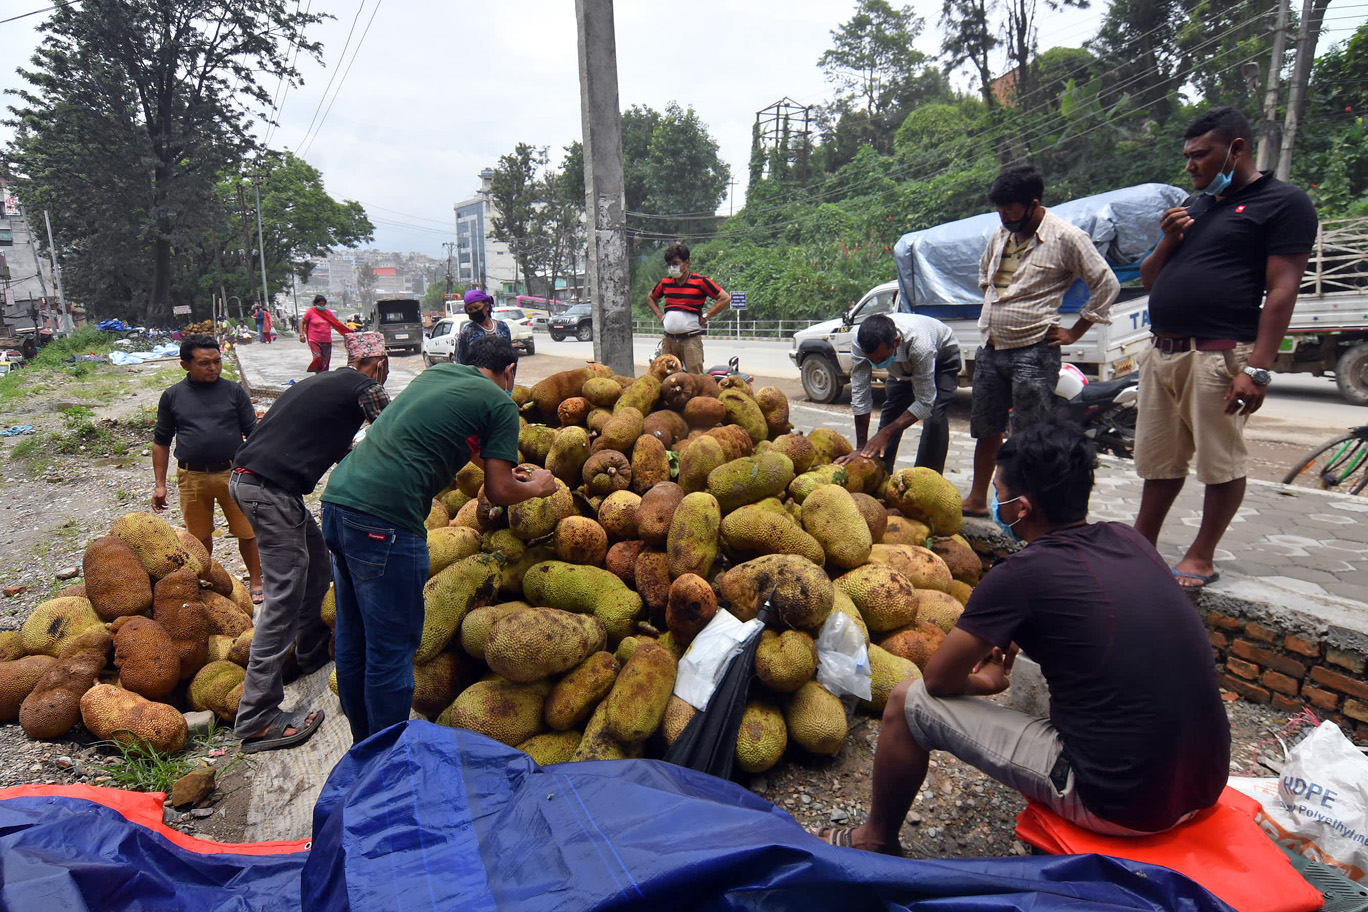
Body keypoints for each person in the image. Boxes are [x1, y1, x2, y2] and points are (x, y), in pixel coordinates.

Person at [812, 421, 1230, 855]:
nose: (996, 501)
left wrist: (986, 683)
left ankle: (875, 838)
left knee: (906, 702)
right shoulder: (1129, 539)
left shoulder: (1019, 575)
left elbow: (937, 682)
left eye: (999, 492)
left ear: (1022, 508)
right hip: (1204, 781)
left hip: (1121, 803)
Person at [320, 334, 557, 744]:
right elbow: (499, 491)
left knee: (355, 639)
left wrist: (501, 465)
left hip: (338, 504)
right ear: (510, 373)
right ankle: (388, 760)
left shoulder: (437, 375)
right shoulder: (500, 402)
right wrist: (539, 486)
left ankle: (364, 751)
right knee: (392, 653)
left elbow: (459, 444)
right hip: (385, 522)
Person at [1133, 107, 1316, 588]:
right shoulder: (1194, 209)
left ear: (1236, 149)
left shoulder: (1283, 203)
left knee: (1220, 461)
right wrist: (1168, 240)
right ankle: (1140, 545)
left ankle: (1201, 554)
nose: (1190, 166)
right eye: (1187, 157)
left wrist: (1257, 369)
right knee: (1159, 461)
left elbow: (1282, 290)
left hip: (1219, 353)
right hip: (1163, 353)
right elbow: (1150, 280)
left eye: (1200, 155)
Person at [226, 331, 390, 753]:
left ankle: (312, 653)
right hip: (269, 490)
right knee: (282, 597)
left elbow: (331, 447)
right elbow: (392, 435)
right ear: (379, 363)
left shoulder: (326, 384)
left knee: (317, 566)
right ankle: (257, 716)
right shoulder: (365, 387)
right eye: (383, 365)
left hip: (259, 484)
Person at [960, 165, 1120, 517]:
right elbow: (984, 276)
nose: (1004, 217)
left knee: (1029, 436)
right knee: (985, 429)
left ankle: (1024, 508)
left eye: (1011, 210)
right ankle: (977, 499)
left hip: (1033, 352)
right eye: (999, 210)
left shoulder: (1067, 238)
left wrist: (1076, 331)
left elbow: (1106, 284)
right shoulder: (1000, 234)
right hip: (991, 348)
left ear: (1033, 204)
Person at [151, 334, 263, 602]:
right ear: (185, 365)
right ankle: (206, 582)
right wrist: (160, 484)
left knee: (248, 532)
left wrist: (261, 472)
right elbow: (161, 442)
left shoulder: (233, 391)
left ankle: (257, 581)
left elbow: (255, 434)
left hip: (233, 473)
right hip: (192, 476)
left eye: (216, 361)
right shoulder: (172, 396)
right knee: (198, 538)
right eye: (204, 363)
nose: (213, 367)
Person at [837, 313, 961, 475]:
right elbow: (861, 395)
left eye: (882, 358)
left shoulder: (921, 346)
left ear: (896, 342)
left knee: (935, 417)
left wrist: (886, 433)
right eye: (872, 360)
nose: (877, 364)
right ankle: (881, 474)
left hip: (941, 357)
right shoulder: (860, 344)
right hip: (902, 366)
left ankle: (925, 478)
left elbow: (925, 402)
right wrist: (860, 447)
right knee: (891, 413)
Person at [646, 242, 731, 374]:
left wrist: (706, 316)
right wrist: (660, 316)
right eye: (669, 264)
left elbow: (725, 298)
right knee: (666, 378)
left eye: (675, 263)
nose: (672, 267)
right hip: (669, 340)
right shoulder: (665, 283)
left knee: (694, 378)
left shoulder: (701, 281)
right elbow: (650, 298)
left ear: (687, 263)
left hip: (690, 340)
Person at [454, 288, 510, 365]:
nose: (473, 311)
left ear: (486, 306)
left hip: (501, 376)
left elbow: (510, 357)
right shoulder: (467, 331)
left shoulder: (503, 327)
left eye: (476, 307)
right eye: (470, 309)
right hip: (477, 376)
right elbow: (460, 361)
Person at [299, 294, 354, 373]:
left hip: (326, 340)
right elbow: (302, 322)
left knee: (326, 362)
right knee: (317, 357)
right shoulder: (310, 312)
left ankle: (322, 376)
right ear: (315, 304)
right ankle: (317, 372)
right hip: (314, 340)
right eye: (319, 304)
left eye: (323, 304)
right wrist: (301, 334)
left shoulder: (328, 312)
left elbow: (336, 322)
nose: (321, 306)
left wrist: (347, 329)